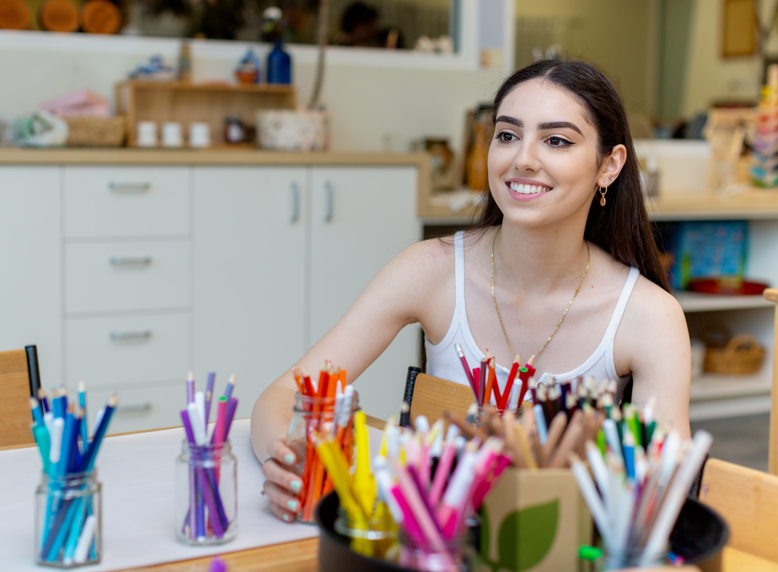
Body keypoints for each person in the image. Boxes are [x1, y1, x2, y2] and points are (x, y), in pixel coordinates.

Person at [252, 59, 692, 523]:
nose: (522, 158)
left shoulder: (649, 316)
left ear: (609, 166)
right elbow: (282, 396)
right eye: (506, 135)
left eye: (556, 140)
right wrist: (287, 463)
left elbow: (665, 488)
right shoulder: (430, 270)